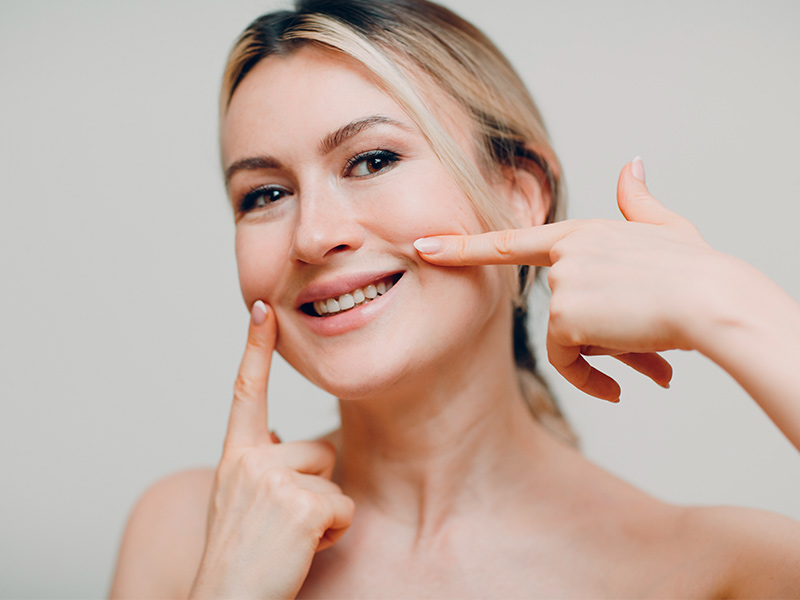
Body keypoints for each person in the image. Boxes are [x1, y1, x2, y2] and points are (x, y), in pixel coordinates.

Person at [110, 0, 800, 597]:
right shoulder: (182, 535)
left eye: (372, 160)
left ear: (520, 197)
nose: (314, 235)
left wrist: (727, 300)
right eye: (265, 194)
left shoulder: (725, 570)